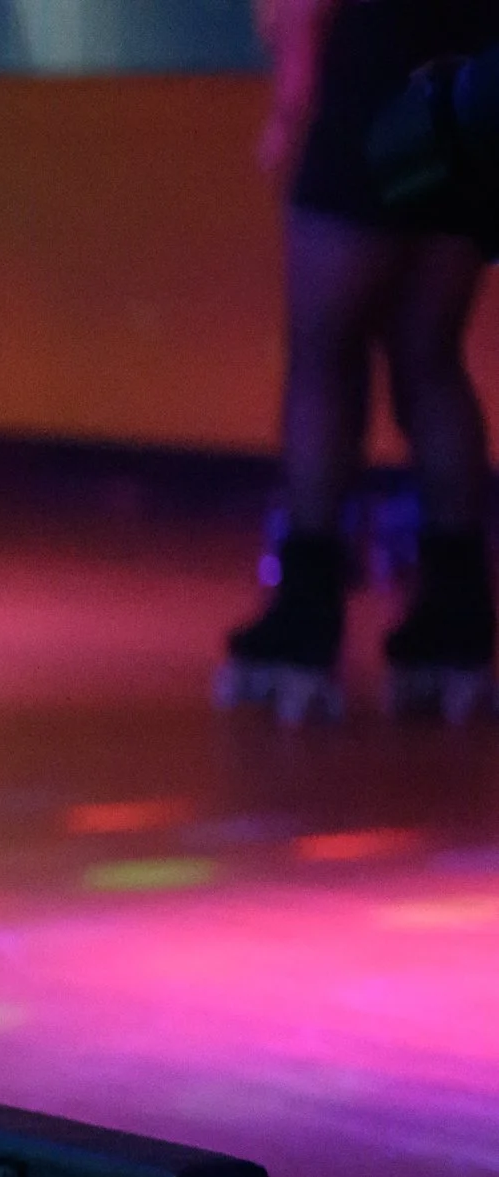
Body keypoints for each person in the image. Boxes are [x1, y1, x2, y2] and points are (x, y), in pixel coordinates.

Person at [222, 0, 499, 723]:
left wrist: (292, 103)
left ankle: (305, 621)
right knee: (432, 357)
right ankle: (458, 622)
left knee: (323, 353)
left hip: (370, 85)